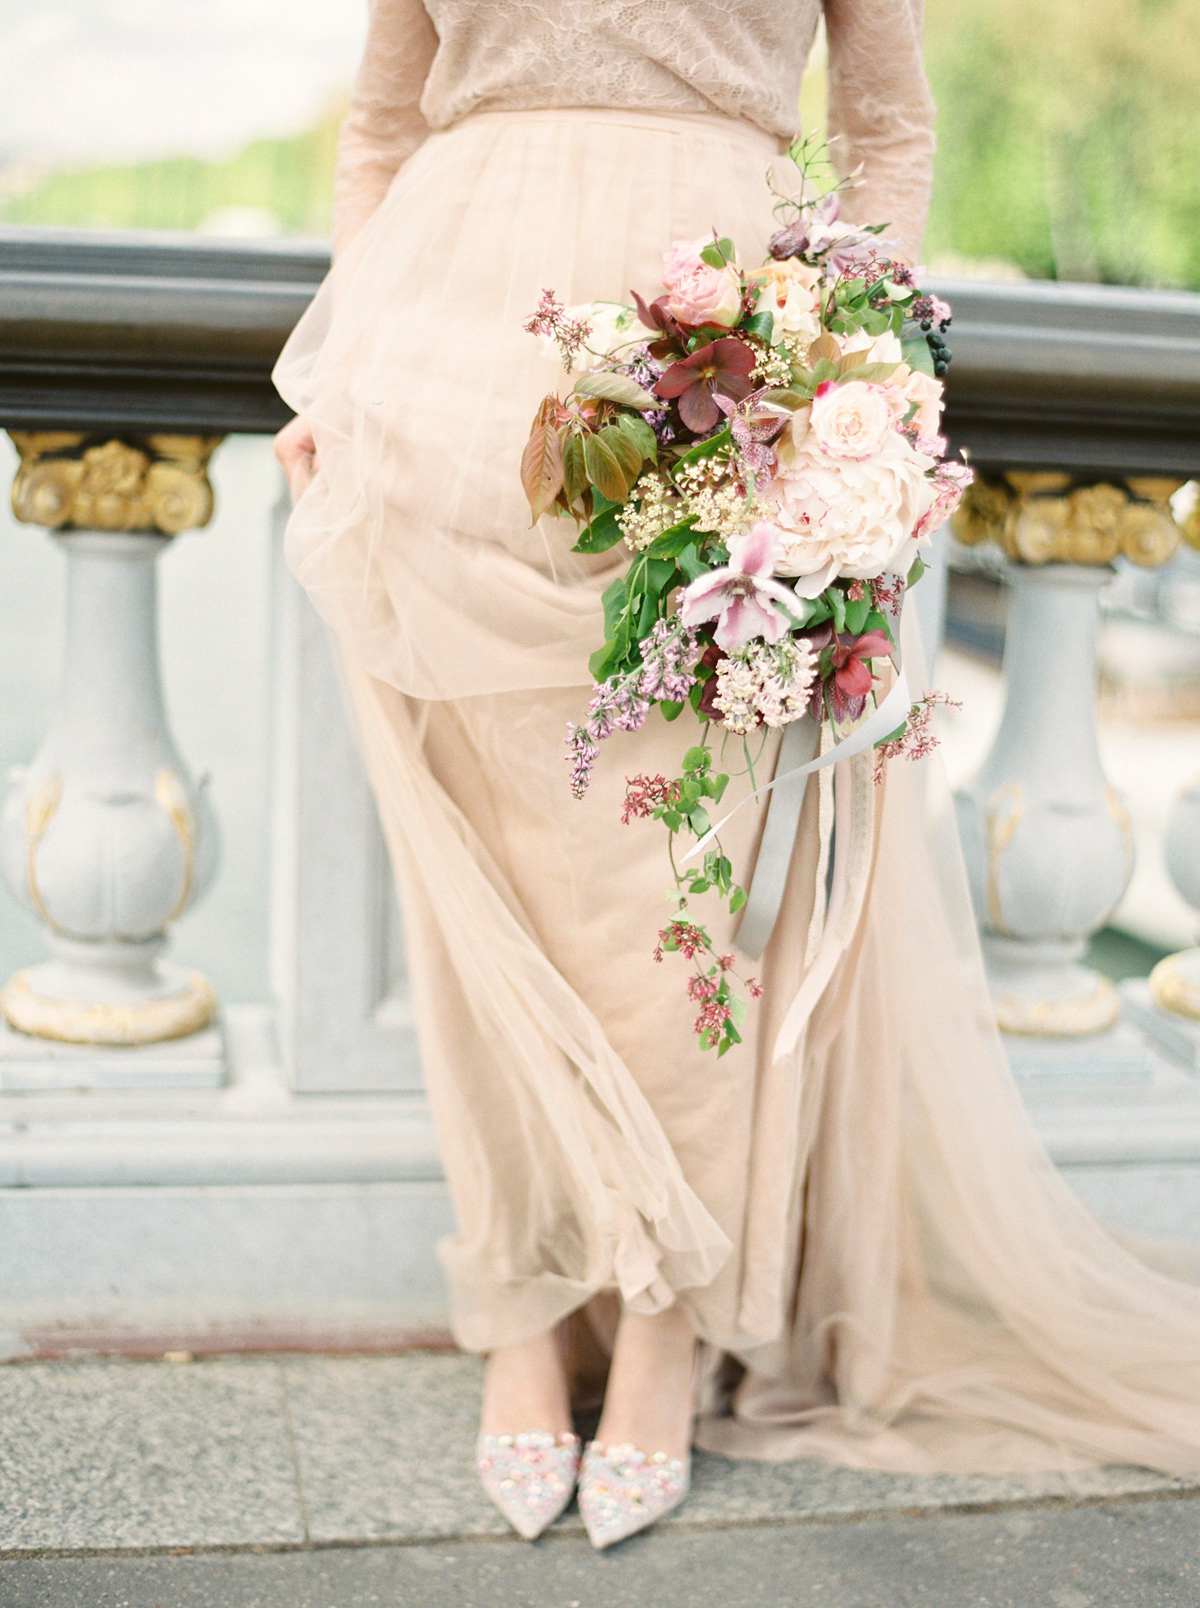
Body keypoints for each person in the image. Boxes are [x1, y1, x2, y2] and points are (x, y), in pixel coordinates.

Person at [274, 0, 1200, 1551]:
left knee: (677, 918)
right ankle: (521, 1309)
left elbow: (890, 130)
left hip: (723, 400)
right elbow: (385, 128)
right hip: (434, 411)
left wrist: (851, 373)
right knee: (480, 900)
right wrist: (332, 386)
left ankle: (664, 1330)